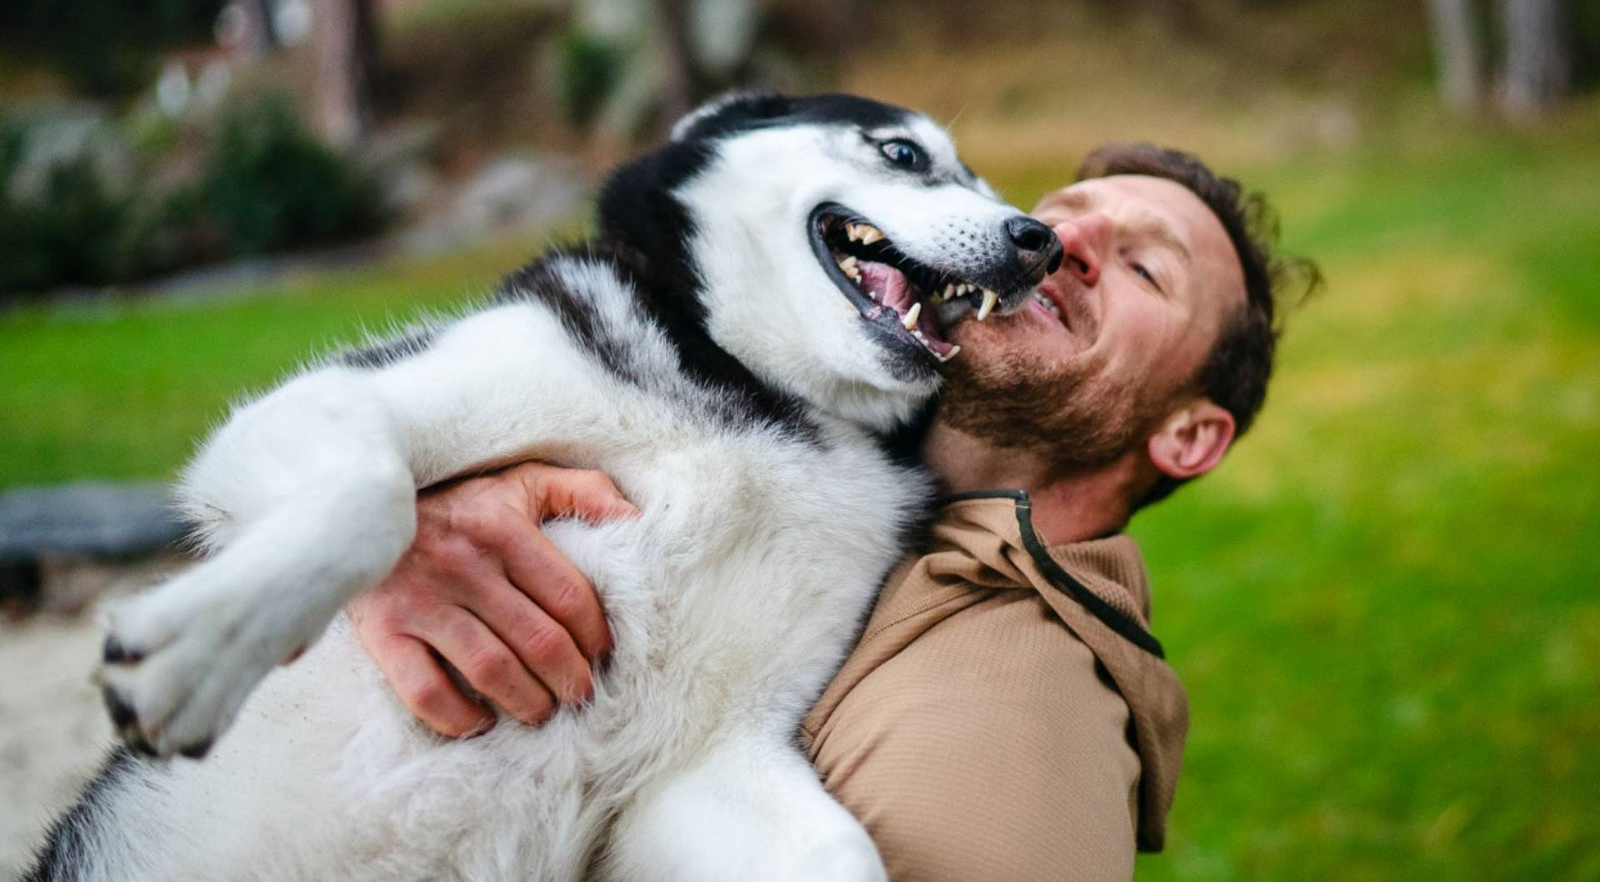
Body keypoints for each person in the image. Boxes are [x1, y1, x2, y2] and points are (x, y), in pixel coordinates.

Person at [344, 142, 1316, 880]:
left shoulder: (1007, 746)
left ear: (1189, 438)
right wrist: (395, 527)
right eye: (1054, 214)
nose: (1063, 242)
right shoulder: (789, 447)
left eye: (1147, 269)